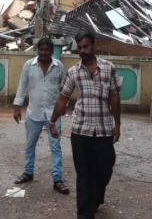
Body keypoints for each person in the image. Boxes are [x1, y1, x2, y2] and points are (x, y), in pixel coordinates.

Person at [49, 32, 122, 219]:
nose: (82, 51)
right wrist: (52, 121)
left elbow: (114, 96)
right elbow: (63, 98)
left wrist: (117, 125)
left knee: (105, 168)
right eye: (79, 47)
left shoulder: (108, 68)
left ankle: (97, 196)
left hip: (104, 128)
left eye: (85, 46)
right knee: (83, 173)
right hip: (81, 130)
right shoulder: (73, 72)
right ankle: (84, 214)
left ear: (93, 46)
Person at [13, 38, 70, 195]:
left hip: (54, 114)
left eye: (47, 50)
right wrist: (17, 107)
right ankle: (28, 172)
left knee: (56, 146)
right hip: (33, 113)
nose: (44, 52)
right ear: (37, 50)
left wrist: (64, 105)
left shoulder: (58, 66)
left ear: (52, 51)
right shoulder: (29, 65)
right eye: (41, 49)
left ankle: (57, 179)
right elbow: (22, 85)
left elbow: (64, 87)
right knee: (30, 145)